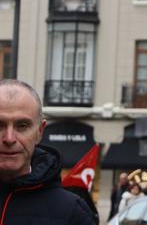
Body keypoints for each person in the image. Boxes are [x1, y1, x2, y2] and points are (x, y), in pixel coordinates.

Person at [0, 79, 95, 224]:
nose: (9, 138)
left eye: (22, 126)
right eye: (0, 125)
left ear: (40, 131)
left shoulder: (73, 212)